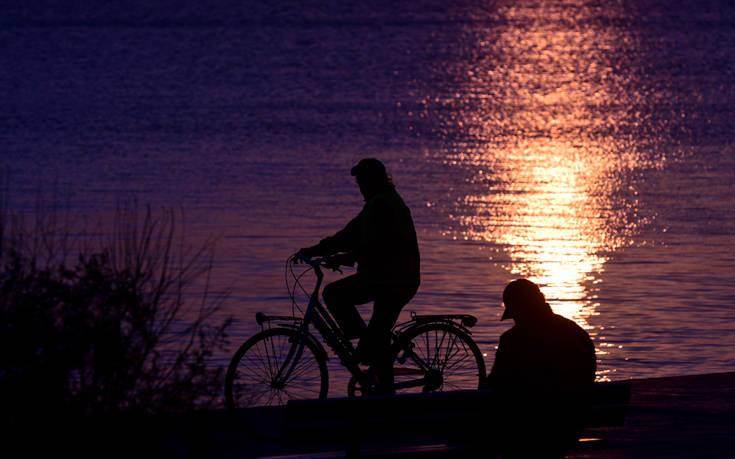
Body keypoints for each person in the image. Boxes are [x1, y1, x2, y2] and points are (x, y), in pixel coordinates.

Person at [297, 158, 420, 394]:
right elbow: (350, 235)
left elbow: (375, 246)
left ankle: (366, 348)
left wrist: (343, 258)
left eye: (362, 182)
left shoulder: (382, 205)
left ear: (372, 181)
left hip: (393, 281)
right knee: (378, 334)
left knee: (334, 294)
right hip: (388, 277)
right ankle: (381, 379)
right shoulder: (379, 202)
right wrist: (316, 250)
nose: (360, 187)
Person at [487, 279, 597, 457]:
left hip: (524, 430)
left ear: (517, 309)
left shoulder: (513, 340)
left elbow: (494, 387)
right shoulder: (576, 333)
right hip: (568, 427)